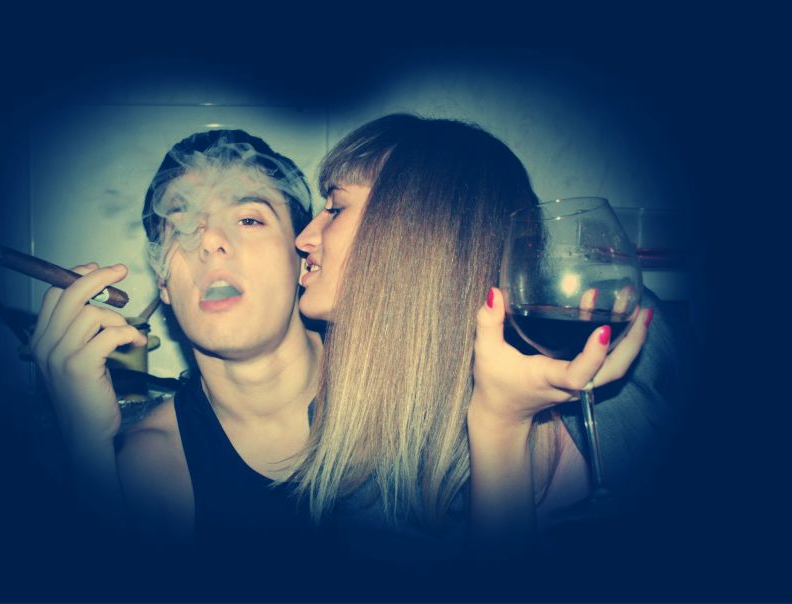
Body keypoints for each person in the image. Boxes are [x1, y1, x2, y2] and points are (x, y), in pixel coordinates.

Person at [291, 114, 683, 569]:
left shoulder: (631, 334)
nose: (303, 239)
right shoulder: (355, 433)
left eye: (335, 207)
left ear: (420, 230)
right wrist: (500, 424)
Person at [28, 130, 323, 577]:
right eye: (183, 225)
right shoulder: (146, 469)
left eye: (248, 219)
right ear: (164, 283)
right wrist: (85, 444)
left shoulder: (405, 394)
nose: (209, 241)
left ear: (304, 260)